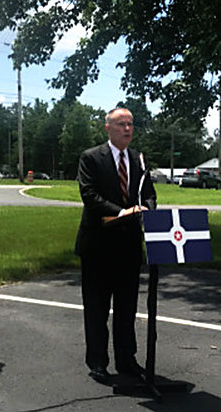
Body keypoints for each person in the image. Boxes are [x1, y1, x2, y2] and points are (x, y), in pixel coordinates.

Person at [75, 107, 156, 384]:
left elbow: (149, 192)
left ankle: (127, 360)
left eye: (131, 124)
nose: (128, 129)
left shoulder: (138, 159)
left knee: (126, 308)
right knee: (97, 308)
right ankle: (97, 361)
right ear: (107, 127)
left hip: (129, 247)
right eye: (122, 124)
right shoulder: (91, 157)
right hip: (98, 246)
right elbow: (89, 195)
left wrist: (147, 208)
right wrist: (122, 212)